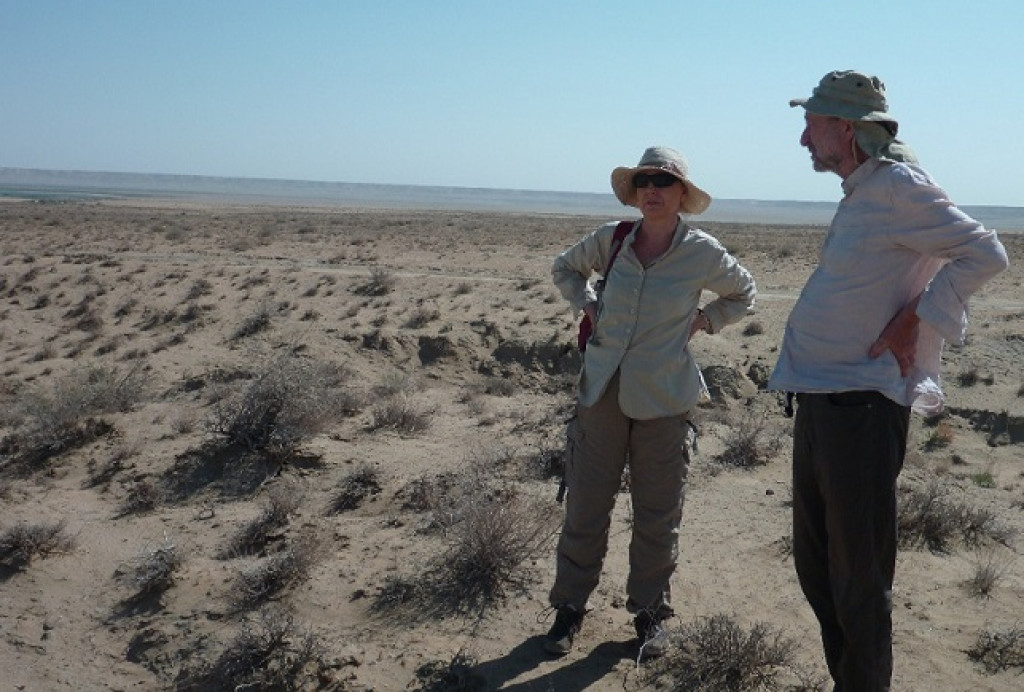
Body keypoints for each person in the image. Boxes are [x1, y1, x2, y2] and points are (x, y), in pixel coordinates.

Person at [768, 71, 1009, 690]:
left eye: (813, 124)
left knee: (858, 580)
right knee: (819, 567)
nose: (803, 138)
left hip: (862, 409)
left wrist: (917, 319)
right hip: (823, 400)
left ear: (844, 129)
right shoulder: (864, 189)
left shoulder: (899, 186)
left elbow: (986, 252)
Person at [544, 146, 757, 659]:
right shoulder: (613, 240)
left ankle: (649, 614)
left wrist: (705, 321)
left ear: (682, 194)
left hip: (665, 398)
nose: (652, 191)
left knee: (658, 514)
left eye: (663, 182)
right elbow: (565, 269)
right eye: (644, 182)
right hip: (602, 394)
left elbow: (743, 292)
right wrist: (589, 303)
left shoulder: (701, 251)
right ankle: (569, 610)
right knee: (586, 507)